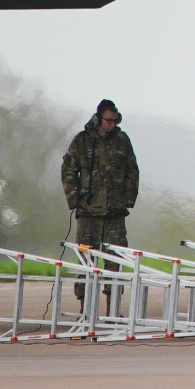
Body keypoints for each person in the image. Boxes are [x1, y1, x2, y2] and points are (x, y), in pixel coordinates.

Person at [60, 99, 139, 306]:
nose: (113, 124)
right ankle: (86, 310)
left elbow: (132, 170)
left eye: (115, 120)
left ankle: (112, 312)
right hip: (89, 216)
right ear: (98, 118)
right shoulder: (82, 140)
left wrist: (128, 200)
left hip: (114, 215)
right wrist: (76, 199)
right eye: (109, 120)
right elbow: (68, 169)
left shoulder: (122, 140)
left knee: (115, 264)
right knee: (86, 264)